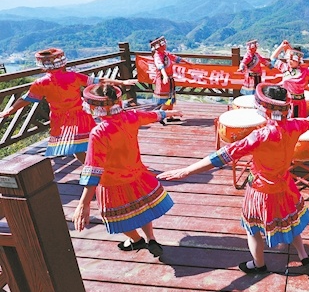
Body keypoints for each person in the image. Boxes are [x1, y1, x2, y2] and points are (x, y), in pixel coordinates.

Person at [158, 83, 309, 273]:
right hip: (286, 184)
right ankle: (303, 255)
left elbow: (224, 155)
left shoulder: (260, 136)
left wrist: (187, 171)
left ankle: (258, 264)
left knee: (253, 229)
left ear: (265, 109)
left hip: (261, 190)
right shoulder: (296, 125)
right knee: (292, 221)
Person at [72, 83, 180, 257]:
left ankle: (136, 240)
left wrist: (83, 203)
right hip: (137, 175)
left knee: (118, 219)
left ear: (94, 108)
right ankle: (151, 238)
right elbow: (151, 116)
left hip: (112, 184)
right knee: (143, 209)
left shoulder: (99, 133)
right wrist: (167, 113)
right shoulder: (131, 117)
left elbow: (93, 169)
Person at [0, 48, 136, 163]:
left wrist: (9, 111)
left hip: (60, 119)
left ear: (42, 65)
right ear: (63, 62)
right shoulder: (73, 76)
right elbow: (99, 80)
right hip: (80, 114)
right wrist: (122, 83)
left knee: (74, 147)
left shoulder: (40, 83)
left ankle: (90, 168)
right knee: (93, 140)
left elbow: (26, 99)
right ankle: (108, 163)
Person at [149, 36, 190, 120]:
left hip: (169, 79)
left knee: (170, 99)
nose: (165, 45)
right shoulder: (157, 56)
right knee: (166, 100)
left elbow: (175, 58)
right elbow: (160, 67)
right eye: (163, 44)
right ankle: (160, 115)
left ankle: (170, 116)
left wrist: (186, 62)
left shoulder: (165, 53)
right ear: (159, 46)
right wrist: (165, 76)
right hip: (163, 80)